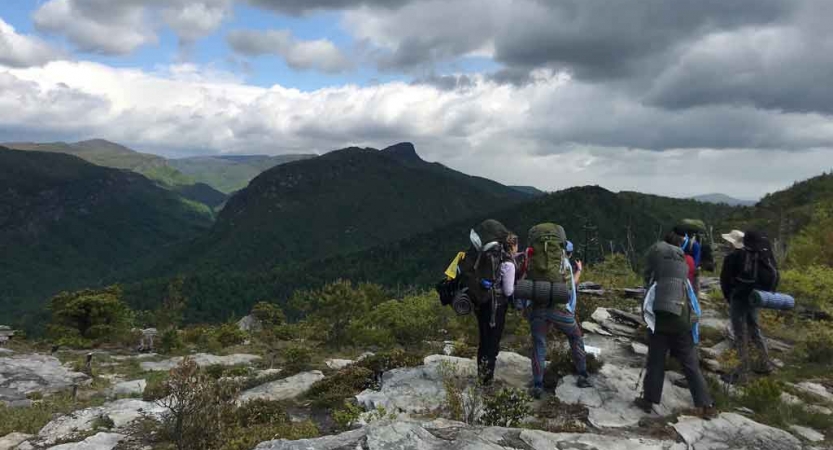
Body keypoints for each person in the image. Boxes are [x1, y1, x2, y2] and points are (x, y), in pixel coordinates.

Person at [635, 232, 716, 418]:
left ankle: (649, 401)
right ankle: (707, 405)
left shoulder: (656, 262)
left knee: (656, 361)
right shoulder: (682, 265)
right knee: (690, 363)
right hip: (682, 318)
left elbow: (647, 282)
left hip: (660, 321)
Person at [518, 225, 591, 399]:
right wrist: (570, 312)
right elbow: (570, 290)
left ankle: (537, 385)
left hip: (537, 309)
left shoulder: (531, 261)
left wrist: (525, 309)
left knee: (539, 345)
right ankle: (582, 375)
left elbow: (525, 285)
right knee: (575, 336)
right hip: (559, 310)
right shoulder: (563, 262)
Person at [720, 230, 778, 381]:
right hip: (754, 296)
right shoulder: (758, 256)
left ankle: (742, 372)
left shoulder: (733, 257)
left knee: (740, 334)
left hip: (739, 297)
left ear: (732, 243)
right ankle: (764, 364)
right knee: (755, 329)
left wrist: (730, 297)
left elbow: (725, 282)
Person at [475, 232, 519, 386]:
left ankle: (481, 375)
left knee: (483, 340)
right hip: (497, 307)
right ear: (513, 246)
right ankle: (487, 381)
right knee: (493, 344)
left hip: (482, 303)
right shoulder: (508, 263)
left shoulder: (491, 257)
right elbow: (508, 291)